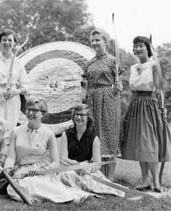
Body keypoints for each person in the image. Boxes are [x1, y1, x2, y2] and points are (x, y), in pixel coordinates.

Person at [4, 98, 96, 203]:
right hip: (20, 172)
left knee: (31, 183)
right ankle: (50, 195)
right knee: (12, 189)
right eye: (28, 109)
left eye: (34, 110)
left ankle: (70, 197)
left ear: (43, 114)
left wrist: (45, 169)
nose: (30, 113)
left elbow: (55, 162)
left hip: (40, 171)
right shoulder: (16, 131)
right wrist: (7, 168)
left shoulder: (49, 134)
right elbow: (11, 156)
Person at [121, 36, 171, 192]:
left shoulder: (153, 65)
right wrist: (129, 108)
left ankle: (156, 182)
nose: (137, 48)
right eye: (135, 45)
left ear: (148, 48)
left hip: (150, 105)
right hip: (136, 105)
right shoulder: (134, 67)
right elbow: (132, 88)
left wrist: (163, 107)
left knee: (150, 143)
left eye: (141, 45)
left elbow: (159, 88)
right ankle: (145, 181)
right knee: (139, 145)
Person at [60, 104, 124, 197]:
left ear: (88, 118)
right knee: (67, 175)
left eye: (82, 115)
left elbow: (97, 163)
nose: (78, 117)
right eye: (76, 114)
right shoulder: (66, 134)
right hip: (69, 167)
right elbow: (63, 157)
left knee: (90, 180)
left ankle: (79, 191)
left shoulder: (94, 138)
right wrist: (73, 164)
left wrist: (87, 168)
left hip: (86, 169)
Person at [83, 29, 123, 179]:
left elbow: (120, 84)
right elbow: (85, 84)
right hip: (92, 100)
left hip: (108, 99)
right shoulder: (89, 63)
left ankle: (110, 176)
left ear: (105, 42)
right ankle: (99, 175)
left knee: (109, 135)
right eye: (92, 40)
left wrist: (118, 86)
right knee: (95, 135)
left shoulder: (113, 61)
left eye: (97, 40)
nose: (94, 43)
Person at [0, 29, 29, 131]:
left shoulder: (18, 62)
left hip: (13, 101)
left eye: (10, 40)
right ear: (0, 42)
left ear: (14, 43)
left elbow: (26, 86)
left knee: (9, 131)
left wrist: (15, 91)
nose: (7, 43)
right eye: (4, 40)